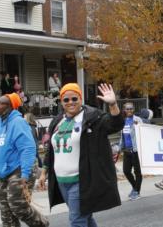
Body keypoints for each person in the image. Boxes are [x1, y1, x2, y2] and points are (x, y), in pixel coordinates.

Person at [38, 83, 124, 227]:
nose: (70, 102)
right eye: (66, 100)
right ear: (61, 102)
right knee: (85, 216)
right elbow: (51, 150)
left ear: (80, 98)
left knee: (76, 220)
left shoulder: (92, 117)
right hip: (62, 181)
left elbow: (115, 125)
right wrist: (44, 172)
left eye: (74, 98)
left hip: (82, 181)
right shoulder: (58, 121)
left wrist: (113, 105)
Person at [0, 92, 49, 227]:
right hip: (1, 174)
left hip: (18, 170)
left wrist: (25, 173)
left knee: (18, 207)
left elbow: (28, 149)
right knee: (6, 213)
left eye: (1, 103)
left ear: (10, 106)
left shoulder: (18, 122)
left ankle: (42, 224)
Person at [119, 102, 143, 201]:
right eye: (127, 109)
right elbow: (122, 136)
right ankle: (135, 188)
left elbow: (143, 131)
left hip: (136, 150)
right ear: (124, 110)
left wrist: (138, 126)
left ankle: (137, 192)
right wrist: (120, 148)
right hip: (127, 150)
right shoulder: (123, 121)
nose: (129, 110)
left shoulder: (137, 120)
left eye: (131, 108)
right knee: (126, 171)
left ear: (133, 109)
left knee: (137, 172)